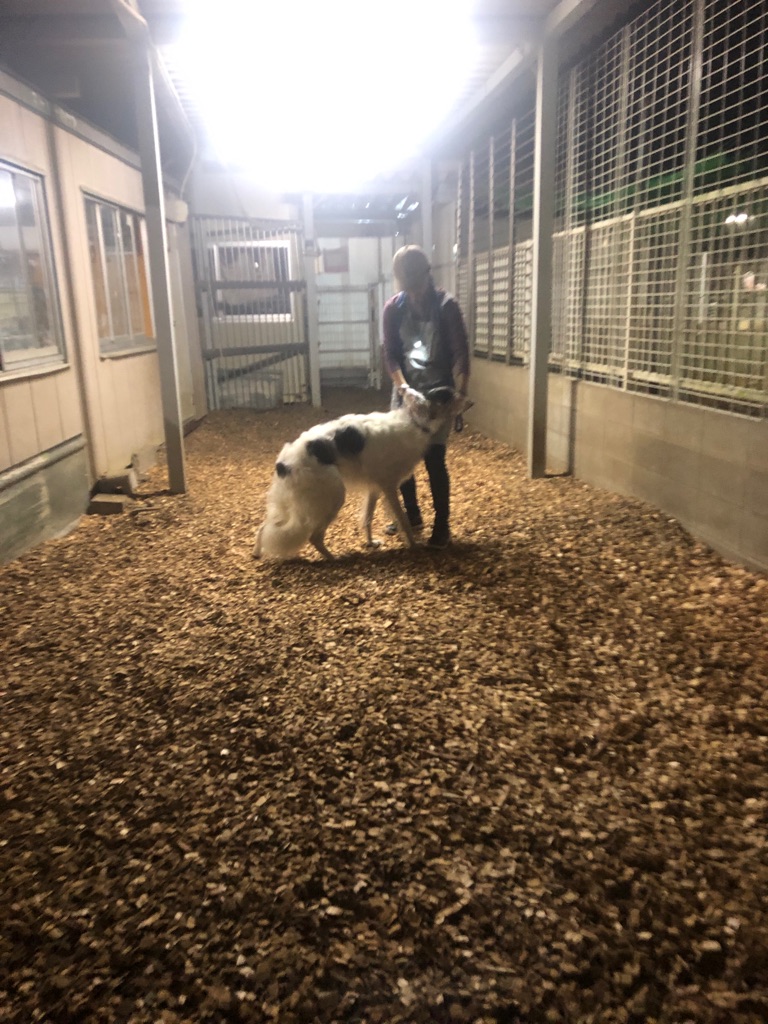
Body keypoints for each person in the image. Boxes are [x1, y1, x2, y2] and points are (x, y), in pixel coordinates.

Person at [381, 244, 470, 549]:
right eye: (408, 286)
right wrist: (403, 389)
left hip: (439, 391)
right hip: (406, 388)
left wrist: (460, 393)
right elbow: (391, 354)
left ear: (427, 276)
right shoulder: (394, 308)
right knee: (400, 455)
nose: (414, 292)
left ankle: (442, 525)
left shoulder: (446, 306)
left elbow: (460, 353)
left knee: (434, 457)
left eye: (417, 285)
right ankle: (412, 514)